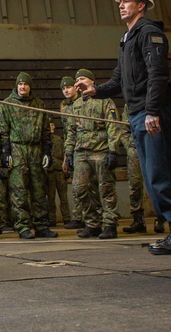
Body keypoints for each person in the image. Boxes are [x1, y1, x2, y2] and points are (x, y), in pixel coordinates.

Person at [77, 0, 171, 255]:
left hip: (150, 113)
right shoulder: (126, 38)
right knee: (152, 174)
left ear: (141, 5)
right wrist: (95, 90)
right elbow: (120, 80)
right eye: (120, 1)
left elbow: (157, 74)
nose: (121, 5)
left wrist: (152, 111)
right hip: (138, 114)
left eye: (127, 1)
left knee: (160, 172)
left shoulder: (149, 33)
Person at [0, 73, 56, 239]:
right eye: (20, 84)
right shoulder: (7, 105)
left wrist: (47, 151)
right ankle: (23, 226)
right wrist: (6, 152)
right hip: (17, 150)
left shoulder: (39, 105)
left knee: (39, 190)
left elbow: (46, 131)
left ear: (30, 86)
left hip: (36, 150)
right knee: (19, 191)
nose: (22, 87)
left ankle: (42, 225)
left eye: (25, 84)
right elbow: (3, 131)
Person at [66, 69, 121, 239]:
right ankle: (92, 223)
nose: (79, 81)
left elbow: (113, 126)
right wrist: (69, 152)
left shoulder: (105, 101)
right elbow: (71, 130)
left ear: (92, 81)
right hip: (81, 152)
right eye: (77, 79)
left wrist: (113, 150)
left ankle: (110, 224)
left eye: (82, 78)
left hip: (101, 150)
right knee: (79, 188)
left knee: (106, 188)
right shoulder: (76, 105)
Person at [118, 104, 156, 233]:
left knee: (156, 182)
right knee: (135, 185)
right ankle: (138, 220)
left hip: (153, 147)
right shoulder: (129, 106)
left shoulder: (153, 102)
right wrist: (129, 146)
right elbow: (123, 130)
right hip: (134, 149)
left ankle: (161, 217)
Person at [59, 77, 85, 230]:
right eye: (63, 89)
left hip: (86, 145)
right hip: (72, 147)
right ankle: (78, 216)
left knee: (85, 185)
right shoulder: (63, 106)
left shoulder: (83, 102)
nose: (66, 90)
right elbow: (67, 133)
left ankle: (89, 216)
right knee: (76, 185)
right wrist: (65, 155)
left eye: (69, 87)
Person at [45, 121, 69, 227]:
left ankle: (67, 218)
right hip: (49, 171)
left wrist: (66, 167)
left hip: (59, 170)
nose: (53, 126)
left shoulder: (58, 139)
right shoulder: (44, 140)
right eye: (51, 125)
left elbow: (65, 153)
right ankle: (51, 219)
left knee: (63, 196)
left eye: (53, 124)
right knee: (50, 197)